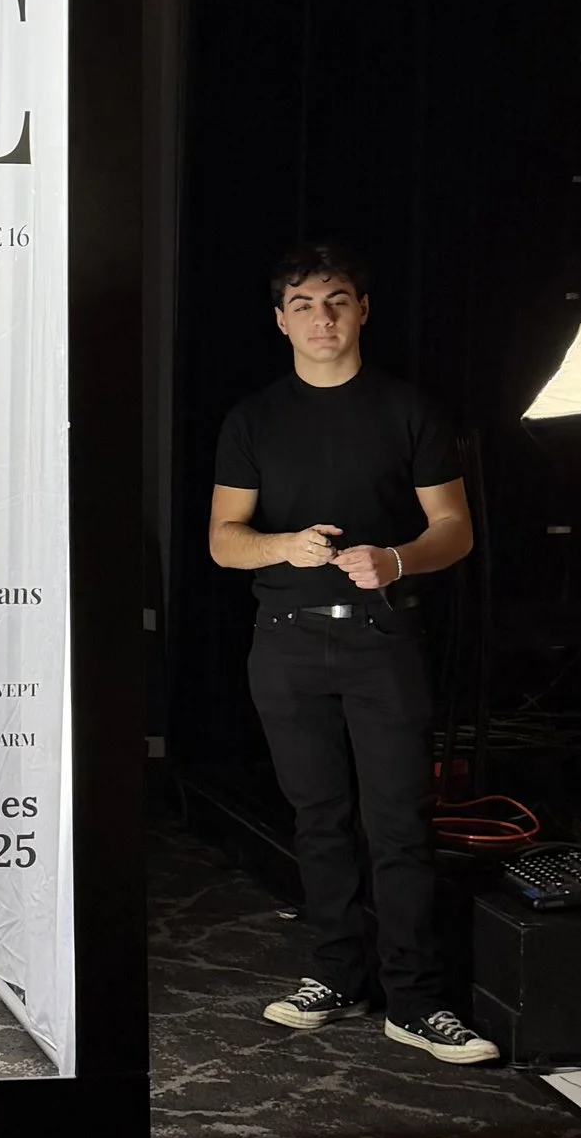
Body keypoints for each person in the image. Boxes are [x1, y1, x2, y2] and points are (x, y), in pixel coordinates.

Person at [208, 239, 499, 1066]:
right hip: (287, 642)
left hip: (382, 637)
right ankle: (337, 976)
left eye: (336, 300)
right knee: (319, 818)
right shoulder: (254, 419)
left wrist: (398, 559)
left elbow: (454, 529)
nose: (321, 317)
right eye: (302, 304)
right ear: (280, 321)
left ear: (362, 310)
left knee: (399, 820)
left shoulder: (409, 411)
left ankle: (416, 999)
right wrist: (283, 547)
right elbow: (225, 542)